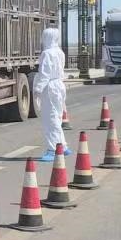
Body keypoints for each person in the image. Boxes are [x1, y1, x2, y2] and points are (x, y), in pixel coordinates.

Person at [32, 27, 70, 162]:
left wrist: (38, 89)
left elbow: (45, 74)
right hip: (59, 84)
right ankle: (63, 146)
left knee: (50, 119)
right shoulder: (60, 52)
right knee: (57, 116)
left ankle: (53, 149)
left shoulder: (47, 54)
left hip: (50, 87)